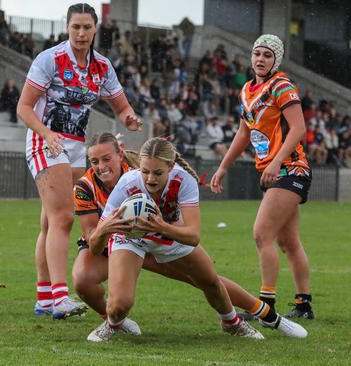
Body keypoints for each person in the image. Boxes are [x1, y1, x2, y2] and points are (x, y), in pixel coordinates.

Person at [85, 138, 307, 342]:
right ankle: (112, 323)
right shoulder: (127, 184)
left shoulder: (183, 180)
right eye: (145, 172)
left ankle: (232, 323)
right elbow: (95, 248)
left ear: (171, 167)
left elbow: (193, 236)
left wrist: (161, 227)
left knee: (211, 281)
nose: (150, 179)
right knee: (119, 305)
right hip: (131, 240)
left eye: (157, 173)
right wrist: (104, 230)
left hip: (168, 233)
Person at [17, 3, 143, 320]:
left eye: (87, 27)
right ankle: (60, 298)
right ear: (67, 27)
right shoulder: (50, 59)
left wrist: (130, 120)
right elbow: (24, 108)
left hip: (76, 147)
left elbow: (121, 107)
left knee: (50, 222)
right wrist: (46, 134)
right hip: (46, 140)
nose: (82, 33)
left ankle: (45, 298)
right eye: (76, 27)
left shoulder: (101, 66)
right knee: (63, 218)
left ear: (95, 29)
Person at [210, 35, 315, 320]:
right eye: (257, 53)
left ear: (276, 60)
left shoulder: (281, 86)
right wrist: (223, 167)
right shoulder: (247, 90)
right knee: (288, 242)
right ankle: (304, 305)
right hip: (273, 170)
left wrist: (277, 161)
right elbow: (244, 133)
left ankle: (265, 304)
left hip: (289, 169)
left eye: (267, 55)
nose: (260, 59)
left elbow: (298, 129)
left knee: (261, 233)